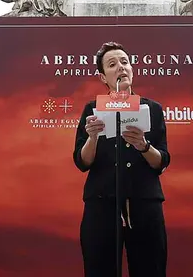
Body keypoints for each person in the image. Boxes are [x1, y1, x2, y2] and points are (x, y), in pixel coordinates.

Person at [73, 41, 171, 277]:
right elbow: (81, 162)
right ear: (103, 77)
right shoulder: (92, 109)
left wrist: (143, 145)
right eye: (112, 64)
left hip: (145, 204)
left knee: (151, 269)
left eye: (125, 62)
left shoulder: (152, 109)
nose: (121, 68)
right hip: (102, 205)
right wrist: (93, 137)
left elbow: (162, 161)